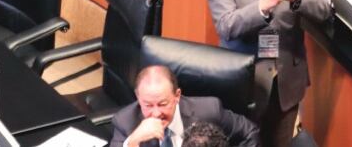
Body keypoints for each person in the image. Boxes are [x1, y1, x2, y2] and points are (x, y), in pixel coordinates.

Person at [204, 0, 330, 147]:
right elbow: (226, 26)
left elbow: (323, 10)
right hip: (246, 81)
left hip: (287, 78)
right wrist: (263, 6)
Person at [109, 65, 258, 147]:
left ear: (177, 96)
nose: (156, 113)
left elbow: (250, 132)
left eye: (163, 104)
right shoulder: (125, 122)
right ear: (138, 98)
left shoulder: (209, 110)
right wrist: (133, 141)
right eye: (148, 105)